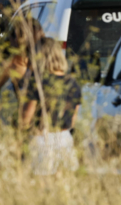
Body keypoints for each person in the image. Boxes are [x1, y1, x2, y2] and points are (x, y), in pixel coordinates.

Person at [21, 37, 82, 175]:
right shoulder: (73, 83)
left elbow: (25, 120)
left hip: (41, 139)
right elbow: (72, 121)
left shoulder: (38, 82)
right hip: (65, 139)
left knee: (41, 186)